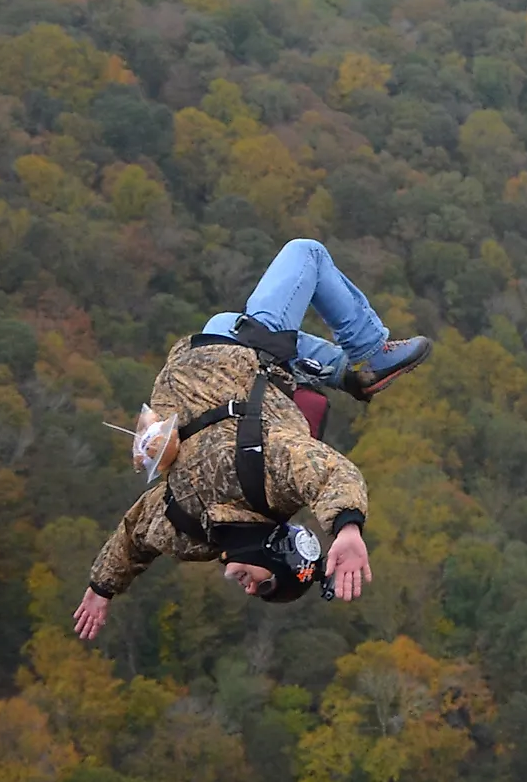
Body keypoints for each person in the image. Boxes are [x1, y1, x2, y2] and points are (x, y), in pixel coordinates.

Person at [69, 240, 432, 639]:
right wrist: (347, 528)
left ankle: (345, 373)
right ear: (277, 557)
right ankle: (370, 353)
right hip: (245, 352)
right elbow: (331, 474)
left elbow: (134, 536)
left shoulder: (192, 535)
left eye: (257, 593)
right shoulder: (274, 488)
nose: (250, 588)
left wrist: (102, 588)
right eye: (266, 584)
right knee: (305, 253)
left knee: (226, 318)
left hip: (211, 345)